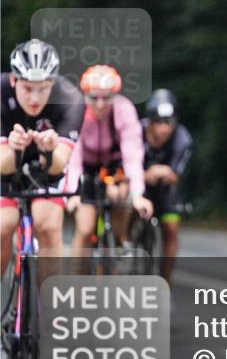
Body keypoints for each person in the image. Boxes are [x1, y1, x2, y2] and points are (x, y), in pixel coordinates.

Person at [1, 39, 84, 271]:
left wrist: (48, 151)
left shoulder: (70, 98)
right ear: (13, 80)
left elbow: (58, 166)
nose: (35, 99)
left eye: (43, 88)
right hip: (6, 164)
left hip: (46, 169)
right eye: (27, 88)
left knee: (47, 226)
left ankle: (49, 293)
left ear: (53, 82)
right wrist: (14, 148)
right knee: (3, 226)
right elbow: (2, 166)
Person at [66, 65, 154, 256]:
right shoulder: (76, 110)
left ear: (115, 95)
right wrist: (73, 192)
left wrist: (137, 194)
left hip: (115, 163)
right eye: (93, 97)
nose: (100, 104)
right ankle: (77, 274)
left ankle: (119, 242)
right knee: (85, 229)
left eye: (106, 98)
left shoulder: (124, 109)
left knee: (121, 195)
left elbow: (132, 154)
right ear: (85, 95)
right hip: (86, 166)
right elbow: (74, 157)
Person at [141, 89, 193, 286]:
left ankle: (166, 280)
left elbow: (177, 174)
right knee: (126, 207)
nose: (163, 129)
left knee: (171, 228)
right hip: (140, 186)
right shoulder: (135, 131)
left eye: (168, 123)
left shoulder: (183, 138)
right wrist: (145, 174)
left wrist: (165, 174)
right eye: (158, 122)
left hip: (166, 189)